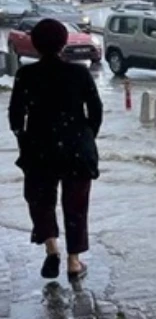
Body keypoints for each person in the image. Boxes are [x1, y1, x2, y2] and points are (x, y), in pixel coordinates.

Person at [7, 18, 103, 282]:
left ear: (35, 45)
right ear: (63, 43)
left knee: (40, 200)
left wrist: (23, 138)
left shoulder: (27, 75)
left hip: (40, 148)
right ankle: (74, 262)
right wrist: (86, 137)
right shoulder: (79, 73)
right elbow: (95, 110)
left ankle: (51, 248)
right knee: (76, 205)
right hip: (76, 148)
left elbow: (15, 113)